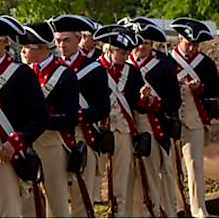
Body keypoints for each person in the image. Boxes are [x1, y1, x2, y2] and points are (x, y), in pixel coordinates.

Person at [0, 15, 49, 218]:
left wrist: (16, 142)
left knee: (8, 212)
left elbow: (39, 117)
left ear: (5, 41)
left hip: (7, 155)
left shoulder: (22, 74)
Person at [49, 14, 110, 218]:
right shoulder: (51, 68)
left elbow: (103, 107)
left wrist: (79, 116)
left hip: (84, 135)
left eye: (66, 40)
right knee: (55, 200)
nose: (61, 45)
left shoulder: (94, 69)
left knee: (82, 201)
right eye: (58, 41)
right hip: (56, 139)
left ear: (78, 38)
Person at [93, 24, 156, 218]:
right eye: (120, 52)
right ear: (110, 49)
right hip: (99, 130)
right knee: (94, 179)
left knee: (121, 182)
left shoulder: (132, 72)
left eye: (126, 52)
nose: (124, 56)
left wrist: (144, 98)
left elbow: (138, 105)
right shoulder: (94, 70)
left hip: (123, 130)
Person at [122, 17, 182, 217]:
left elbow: (174, 101)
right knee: (129, 179)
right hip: (125, 126)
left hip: (151, 125)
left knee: (153, 176)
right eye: (138, 43)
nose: (141, 47)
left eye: (146, 43)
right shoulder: (122, 66)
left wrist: (155, 103)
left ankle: (156, 213)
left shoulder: (164, 66)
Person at [18, 21, 79, 218]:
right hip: (26, 141)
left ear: (44, 48)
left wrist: (39, 121)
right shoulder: (21, 74)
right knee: (26, 198)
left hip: (53, 141)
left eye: (29, 47)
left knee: (56, 198)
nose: (25, 51)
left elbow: (69, 117)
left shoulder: (64, 75)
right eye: (24, 47)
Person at [169, 17, 219, 218]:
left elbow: (215, 88)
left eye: (195, 44)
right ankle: (175, 206)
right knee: (170, 166)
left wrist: (201, 88)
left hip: (195, 117)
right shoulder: (168, 60)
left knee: (195, 165)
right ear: (180, 39)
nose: (191, 48)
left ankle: (199, 209)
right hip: (171, 118)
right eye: (188, 43)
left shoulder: (206, 63)